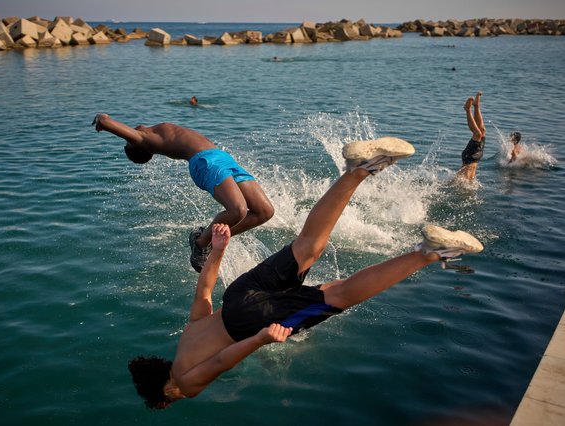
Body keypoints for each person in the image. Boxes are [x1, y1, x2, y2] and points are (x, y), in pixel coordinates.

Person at [128, 138, 484, 409]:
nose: (175, 399)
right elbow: (203, 294)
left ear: (165, 390)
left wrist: (261, 340)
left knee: (339, 294)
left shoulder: (186, 385)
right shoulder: (186, 339)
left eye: (167, 401)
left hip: (250, 322)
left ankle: (428, 253)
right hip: (237, 296)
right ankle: (359, 168)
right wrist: (218, 251)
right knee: (307, 245)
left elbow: (222, 360)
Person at [92, 113, 274, 272]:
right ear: (138, 146)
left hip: (223, 158)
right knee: (238, 210)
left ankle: (209, 235)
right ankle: (201, 243)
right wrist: (103, 118)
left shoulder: (155, 131)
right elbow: (106, 122)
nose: (129, 134)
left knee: (265, 211)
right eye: (129, 141)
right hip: (206, 162)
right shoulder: (145, 139)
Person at [457, 92, 486, 180]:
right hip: (475, 158)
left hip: (469, 158)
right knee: (482, 132)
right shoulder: (466, 180)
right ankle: (476, 107)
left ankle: (468, 110)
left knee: (478, 134)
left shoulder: (460, 179)